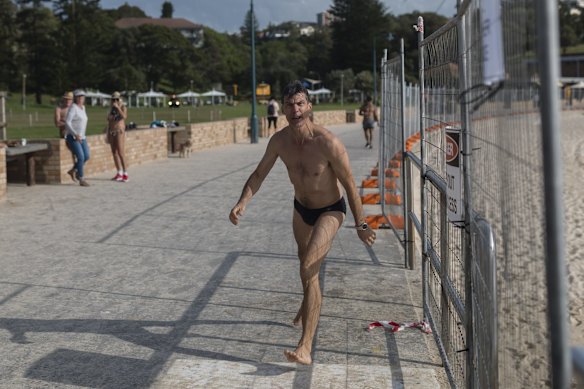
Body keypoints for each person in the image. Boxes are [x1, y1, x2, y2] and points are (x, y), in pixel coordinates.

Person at [229, 80, 376, 365]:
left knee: (310, 267)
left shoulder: (328, 142)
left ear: (309, 106)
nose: (294, 110)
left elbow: (349, 185)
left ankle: (305, 347)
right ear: (283, 108)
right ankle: (307, 303)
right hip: (301, 210)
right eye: (289, 105)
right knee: (304, 265)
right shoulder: (279, 141)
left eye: (299, 104)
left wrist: (362, 225)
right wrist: (242, 201)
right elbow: (259, 174)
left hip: (331, 211)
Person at [64, 89, 90, 187]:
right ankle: (81, 179)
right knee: (81, 157)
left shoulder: (83, 108)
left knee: (87, 156)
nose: (80, 99)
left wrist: (80, 135)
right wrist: (75, 134)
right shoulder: (73, 108)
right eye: (79, 97)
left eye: (82, 97)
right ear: (75, 98)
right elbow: (67, 122)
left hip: (82, 137)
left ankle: (73, 170)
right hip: (73, 137)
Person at [54, 91, 77, 182]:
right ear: (63, 99)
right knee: (75, 153)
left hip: (76, 133)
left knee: (82, 154)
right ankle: (75, 172)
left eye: (70, 99)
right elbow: (57, 123)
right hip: (66, 134)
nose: (68, 101)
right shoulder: (59, 109)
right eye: (66, 99)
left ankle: (75, 171)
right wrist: (68, 124)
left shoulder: (75, 108)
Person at [107, 91, 129, 182]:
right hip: (112, 131)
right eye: (113, 99)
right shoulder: (111, 109)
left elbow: (124, 116)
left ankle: (125, 173)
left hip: (119, 131)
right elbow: (109, 119)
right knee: (114, 152)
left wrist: (118, 108)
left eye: (117, 99)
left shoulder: (123, 107)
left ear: (120, 99)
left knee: (120, 152)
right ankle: (119, 172)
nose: (115, 101)